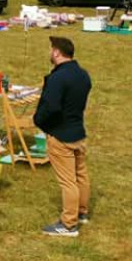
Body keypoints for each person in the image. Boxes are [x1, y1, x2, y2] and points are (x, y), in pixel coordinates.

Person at [34, 36, 91, 237]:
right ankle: (82, 212)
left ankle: (68, 224)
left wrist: (39, 122)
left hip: (61, 135)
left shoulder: (58, 78)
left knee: (68, 182)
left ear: (57, 52)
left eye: (51, 49)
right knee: (81, 175)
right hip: (79, 133)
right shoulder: (83, 75)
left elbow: (51, 107)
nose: (49, 52)